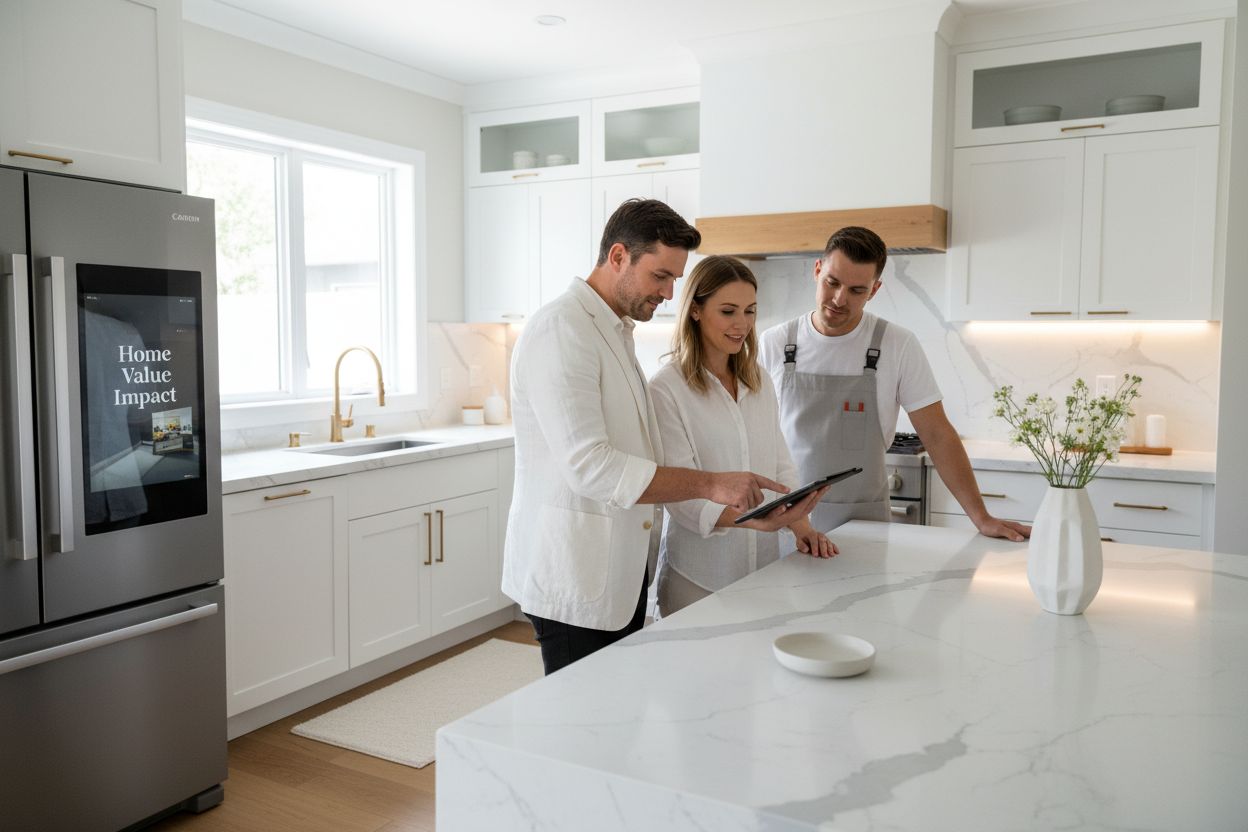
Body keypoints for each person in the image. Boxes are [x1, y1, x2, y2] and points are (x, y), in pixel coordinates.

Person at [503, 199, 791, 675]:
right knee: (586, 727)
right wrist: (710, 483)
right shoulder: (562, 329)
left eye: (676, 279)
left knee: (616, 721)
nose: (670, 292)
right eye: (661, 276)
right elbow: (589, 466)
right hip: (576, 574)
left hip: (617, 570)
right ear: (618, 256)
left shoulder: (614, 331)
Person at [758, 226, 1030, 541]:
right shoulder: (775, 343)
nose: (839, 299)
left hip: (864, 522)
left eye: (857, 290)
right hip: (787, 519)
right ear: (817, 271)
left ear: (874, 290)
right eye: (832, 283)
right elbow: (756, 435)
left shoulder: (896, 344)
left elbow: (937, 435)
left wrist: (981, 517)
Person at [649, 255, 834, 616]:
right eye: (728, 311)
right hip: (697, 581)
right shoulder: (666, 390)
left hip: (761, 574)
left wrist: (801, 525)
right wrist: (754, 520)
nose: (742, 325)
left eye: (750, 311)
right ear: (696, 311)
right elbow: (681, 496)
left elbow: (780, 462)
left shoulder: (759, 379)